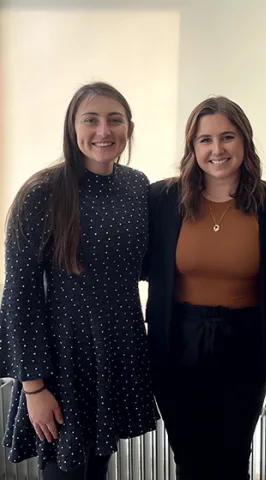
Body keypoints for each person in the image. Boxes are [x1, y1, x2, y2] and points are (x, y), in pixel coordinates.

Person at [0, 82, 158, 480]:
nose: (103, 131)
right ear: (72, 128)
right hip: (62, 363)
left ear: (129, 127)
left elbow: (142, 265)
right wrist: (33, 388)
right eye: (91, 120)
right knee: (64, 471)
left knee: (98, 469)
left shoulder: (137, 186)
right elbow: (20, 296)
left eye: (114, 120)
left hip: (117, 349)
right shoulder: (42, 192)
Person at [145, 96, 266, 480]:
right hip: (177, 344)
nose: (217, 149)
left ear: (245, 141)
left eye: (227, 137)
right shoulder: (163, 200)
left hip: (244, 346)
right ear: (192, 147)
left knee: (232, 458)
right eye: (205, 140)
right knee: (189, 459)